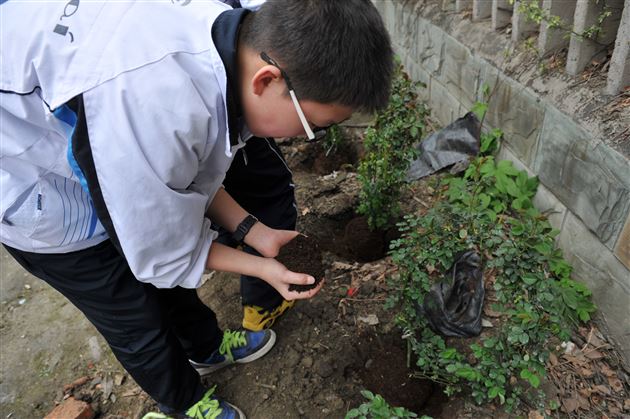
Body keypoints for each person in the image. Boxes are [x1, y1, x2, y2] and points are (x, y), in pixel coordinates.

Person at [0, 0, 394, 418]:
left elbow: (183, 177)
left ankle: (205, 350)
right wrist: (264, 268)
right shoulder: (151, 103)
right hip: (32, 183)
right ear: (267, 81)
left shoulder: (222, 39)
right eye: (316, 125)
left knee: (172, 294)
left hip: (98, 146)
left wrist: (257, 234)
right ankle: (182, 402)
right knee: (133, 315)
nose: (309, 136)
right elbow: (161, 253)